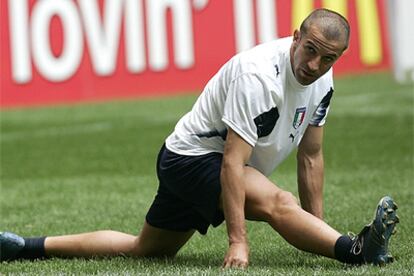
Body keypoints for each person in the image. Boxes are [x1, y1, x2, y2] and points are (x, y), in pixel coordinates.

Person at [0, 8, 399, 268]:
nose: (314, 64)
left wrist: (318, 231)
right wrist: (238, 242)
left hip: (191, 159)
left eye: (328, 57)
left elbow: (311, 157)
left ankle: (26, 246)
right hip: (192, 158)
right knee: (280, 201)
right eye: (309, 49)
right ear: (295, 36)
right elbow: (231, 162)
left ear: (338, 58)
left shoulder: (323, 80)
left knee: (147, 250)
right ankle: (357, 250)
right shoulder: (258, 76)